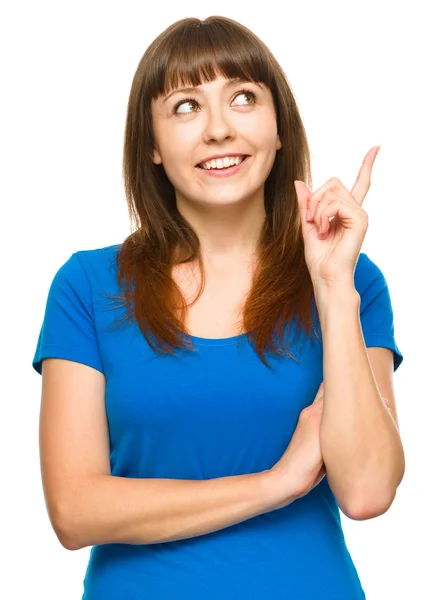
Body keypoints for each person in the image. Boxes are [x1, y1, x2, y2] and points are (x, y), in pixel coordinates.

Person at [32, 15, 405, 600]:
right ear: (151, 145)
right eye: (186, 106)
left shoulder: (352, 281)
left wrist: (334, 290)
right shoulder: (89, 287)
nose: (218, 129)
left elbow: (367, 492)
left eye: (243, 97)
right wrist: (276, 483)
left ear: (278, 128)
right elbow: (74, 510)